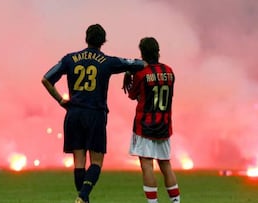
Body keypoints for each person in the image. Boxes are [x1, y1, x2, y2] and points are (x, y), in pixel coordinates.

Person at [41, 24, 145, 203]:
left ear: (86, 38)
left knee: (79, 162)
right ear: (103, 41)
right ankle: (82, 197)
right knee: (96, 162)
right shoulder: (108, 61)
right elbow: (138, 64)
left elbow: (46, 79)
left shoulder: (70, 59)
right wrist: (129, 70)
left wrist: (60, 100)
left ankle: (83, 199)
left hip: (74, 114)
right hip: (95, 115)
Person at [123, 37, 180, 203]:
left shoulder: (141, 73)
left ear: (142, 53)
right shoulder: (169, 71)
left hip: (144, 125)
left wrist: (131, 75)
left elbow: (132, 95)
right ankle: (176, 201)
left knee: (147, 165)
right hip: (164, 124)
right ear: (158, 52)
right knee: (165, 165)